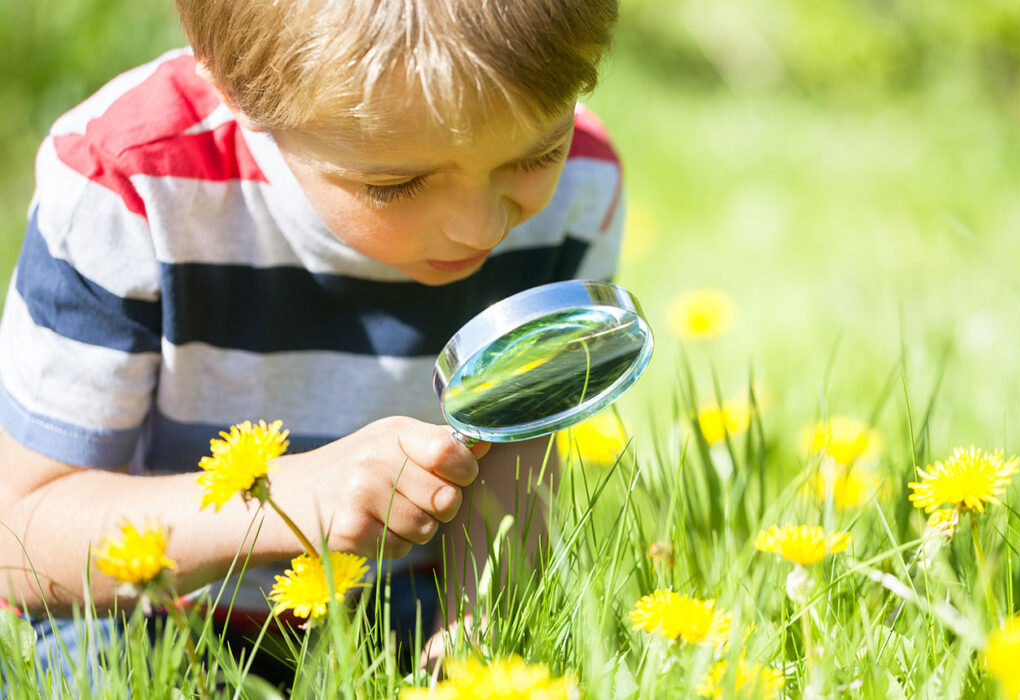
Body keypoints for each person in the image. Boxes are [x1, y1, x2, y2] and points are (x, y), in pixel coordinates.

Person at [0, 0, 623, 687]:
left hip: (395, 611)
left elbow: (517, 448)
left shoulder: (582, 185)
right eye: (395, 184)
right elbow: (20, 537)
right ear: (235, 91)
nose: (479, 227)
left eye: (537, 154)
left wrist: (479, 625)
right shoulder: (131, 183)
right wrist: (291, 502)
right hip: (148, 614)